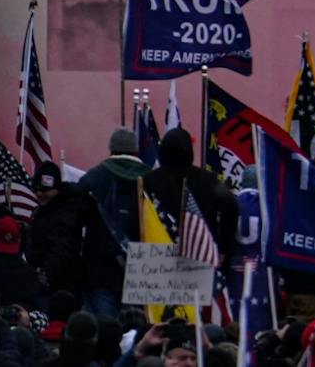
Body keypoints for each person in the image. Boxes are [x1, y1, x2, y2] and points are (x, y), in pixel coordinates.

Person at [75, 128, 150, 318]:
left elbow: (75, 218)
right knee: (137, 334)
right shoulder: (151, 179)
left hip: (99, 272)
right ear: (136, 151)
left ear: (111, 150)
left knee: (104, 336)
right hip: (141, 272)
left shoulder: (94, 178)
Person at [142, 128, 236, 258]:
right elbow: (231, 206)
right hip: (201, 254)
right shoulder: (209, 180)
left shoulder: (148, 180)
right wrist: (223, 247)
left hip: (158, 257)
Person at [27, 162, 97, 303]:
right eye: (37, 189)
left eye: (45, 190)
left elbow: (61, 248)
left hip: (60, 285)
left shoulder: (66, 212)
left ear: (56, 189)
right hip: (49, 280)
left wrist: (45, 274)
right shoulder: (46, 210)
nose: (40, 194)